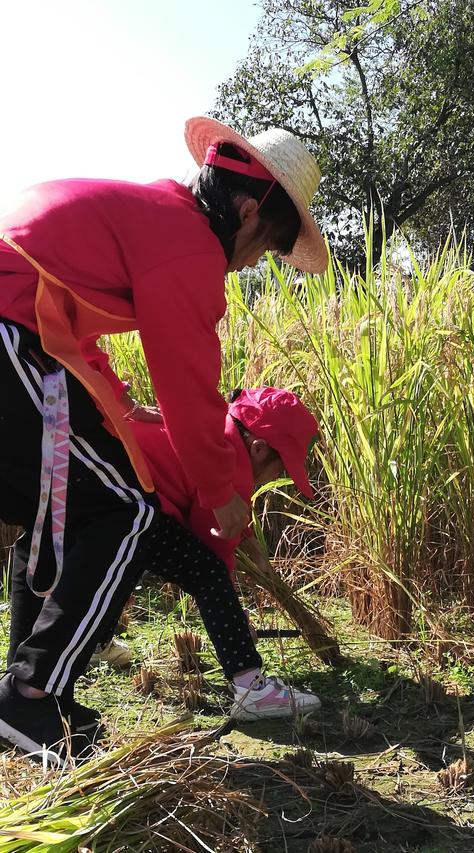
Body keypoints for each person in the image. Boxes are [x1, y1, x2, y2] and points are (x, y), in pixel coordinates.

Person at [0, 116, 328, 766]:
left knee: (62, 516)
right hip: (12, 330)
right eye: (268, 244)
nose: (257, 261)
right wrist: (220, 492)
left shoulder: (153, 218)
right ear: (246, 209)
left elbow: (76, 330)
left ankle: (38, 701)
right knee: (124, 512)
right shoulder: (190, 247)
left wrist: (112, 405)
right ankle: (31, 696)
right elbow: (188, 385)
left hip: (27, 327)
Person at [124, 386, 321, 719]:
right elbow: (213, 548)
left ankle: (96, 643)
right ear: (259, 449)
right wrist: (235, 622)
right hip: (124, 498)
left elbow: (212, 512)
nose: (280, 475)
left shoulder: (212, 429)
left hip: (98, 481)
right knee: (208, 573)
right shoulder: (227, 464)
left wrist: (249, 543)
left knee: (122, 562)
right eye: (282, 466)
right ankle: (250, 687)